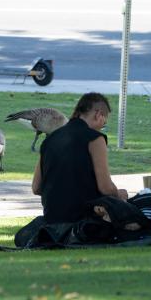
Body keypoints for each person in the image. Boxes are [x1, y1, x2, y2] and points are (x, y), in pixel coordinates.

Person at [31, 93, 128, 223]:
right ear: (98, 114)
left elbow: (36, 188)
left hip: (52, 219)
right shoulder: (95, 139)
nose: (101, 127)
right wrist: (119, 194)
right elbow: (105, 187)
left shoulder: (50, 140)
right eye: (104, 122)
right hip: (84, 218)